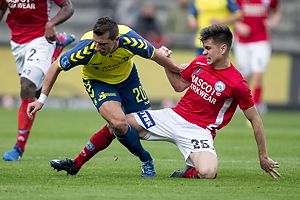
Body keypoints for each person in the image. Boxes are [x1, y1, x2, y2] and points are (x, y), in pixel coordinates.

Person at [27, 16, 184, 177]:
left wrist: (179, 71)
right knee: (118, 122)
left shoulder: (132, 40)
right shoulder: (85, 49)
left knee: (137, 125)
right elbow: (55, 67)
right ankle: (146, 159)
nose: (97, 47)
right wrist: (41, 100)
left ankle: (76, 163)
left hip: (128, 80)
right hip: (98, 82)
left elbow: (157, 56)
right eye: (95, 42)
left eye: (102, 44)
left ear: (116, 40)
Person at [125, 24, 281, 179]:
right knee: (122, 124)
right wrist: (166, 61)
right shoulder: (200, 61)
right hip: (174, 116)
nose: (204, 52)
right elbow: (178, 85)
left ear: (223, 48)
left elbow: (255, 119)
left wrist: (263, 156)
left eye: (208, 48)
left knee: (208, 172)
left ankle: (187, 172)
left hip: (200, 130)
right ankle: (146, 160)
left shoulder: (237, 84)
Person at [1, 0, 75, 161]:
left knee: (26, 85)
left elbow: (68, 6)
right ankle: (57, 48)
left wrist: (51, 23)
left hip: (41, 38)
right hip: (17, 42)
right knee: (35, 92)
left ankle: (18, 147)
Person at [233, 0, 281, 113]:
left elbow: (277, 11)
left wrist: (273, 22)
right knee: (246, 77)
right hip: (242, 42)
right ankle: (244, 104)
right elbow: (231, 13)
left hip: (261, 41)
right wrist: (238, 25)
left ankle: (257, 105)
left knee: (258, 74)